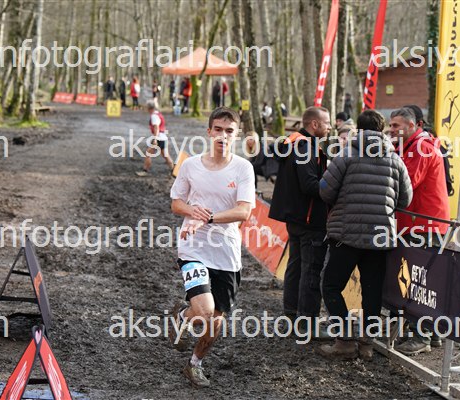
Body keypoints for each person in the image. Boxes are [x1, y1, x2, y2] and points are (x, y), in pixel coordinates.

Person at [169, 107, 255, 388]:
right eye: (218, 129)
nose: (223, 136)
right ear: (209, 132)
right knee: (206, 312)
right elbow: (176, 203)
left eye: (229, 131)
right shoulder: (191, 165)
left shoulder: (243, 168)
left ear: (236, 135)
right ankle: (187, 318)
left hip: (226, 253)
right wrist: (192, 211)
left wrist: (207, 217)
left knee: (215, 321)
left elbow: (244, 212)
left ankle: (193, 360)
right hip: (193, 247)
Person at [317, 110, 413, 360]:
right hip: (380, 237)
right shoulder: (395, 159)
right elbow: (406, 199)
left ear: (358, 129)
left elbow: (325, 191)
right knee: (372, 292)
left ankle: (345, 340)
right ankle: (367, 344)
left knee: (330, 286)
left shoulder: (345, 155)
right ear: (382, 130)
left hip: (346, 234)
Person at [388, 106, 450, 355]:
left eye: (396, 126)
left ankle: (421, 335)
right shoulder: (410, 146)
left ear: (412, 126)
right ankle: (431, 334)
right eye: (390, 125)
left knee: (420, 281)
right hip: (418, 222)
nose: (391, 130)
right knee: (422, 279)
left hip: (424, 223)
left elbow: (407, 183)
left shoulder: (421, 148)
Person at [269, 106, 332, 338]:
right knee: (310, 270)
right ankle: (307, 323)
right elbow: (309, 185)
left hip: (296, 217)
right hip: (309, 219)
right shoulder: (306, 147)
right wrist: (335, 187)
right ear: (314, 124)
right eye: (327, 122)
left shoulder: (294, 143)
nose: (330, 127)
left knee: (296, 266)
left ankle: (293, 314)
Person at [135, 101, 174, 176]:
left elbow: (156, 127)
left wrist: (155, 139)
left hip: (159, 138)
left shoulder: (154, 116)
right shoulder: (158, 113)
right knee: (166, 155)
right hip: (163, 137)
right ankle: (174, 170)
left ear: (149, 108)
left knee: (148, 153)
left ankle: (145, 171)